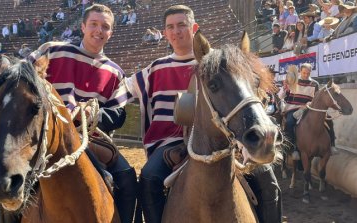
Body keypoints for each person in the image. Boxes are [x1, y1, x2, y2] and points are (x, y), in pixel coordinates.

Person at [112, 5, 282, 223]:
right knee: (149, 178)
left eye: (182, 25)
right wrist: (100, 105)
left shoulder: (216, 64)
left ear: (194, 28)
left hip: (221, 138)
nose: (176, 31)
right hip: (169, 142)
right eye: (170, 27)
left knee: (268, 180)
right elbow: (124, 88)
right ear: (164, 33)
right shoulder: (155, 67)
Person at [29, 4, 137, 223]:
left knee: (126, 177)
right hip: (49, 137)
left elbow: (118, 114)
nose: (99, 30)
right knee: (13, 181)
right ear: (82, 26)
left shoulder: (116, 72)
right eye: (94, 24)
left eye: (105, 26)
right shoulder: (52, 50)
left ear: (111, 32)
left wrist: (92, 115)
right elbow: (22, 79)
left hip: (93, 139)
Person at [279, 63, 320, 159]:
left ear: (310, 72)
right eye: (304, 72)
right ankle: (291, 148)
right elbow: (281, 96)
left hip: (307, 109)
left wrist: (310, 104)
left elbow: (316, 100)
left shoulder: (315, 84)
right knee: (289, 122)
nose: (306, 75)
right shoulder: (292, 81)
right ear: (300, 71)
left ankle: (330, 145)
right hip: (292, 108)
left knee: (326, 120)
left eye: (308, 73)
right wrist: (284, 88)